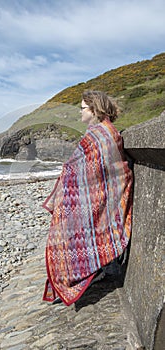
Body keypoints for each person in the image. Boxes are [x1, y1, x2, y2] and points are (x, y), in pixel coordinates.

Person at [42, 90, 133, 306]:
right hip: (102, 192)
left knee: (74, 234)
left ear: (94, 110)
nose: (80, 112)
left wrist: (68, 178)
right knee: (91, 231)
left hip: (103, 193)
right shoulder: (101, 131)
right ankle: (102, 268)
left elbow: (94, 168)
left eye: (82, 108)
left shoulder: (99, 135)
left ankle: (87, 272)